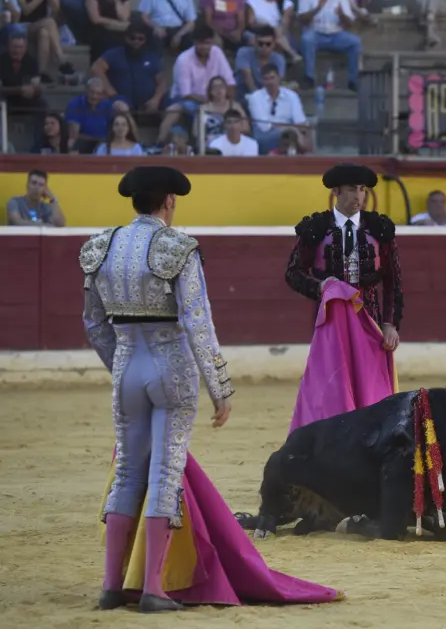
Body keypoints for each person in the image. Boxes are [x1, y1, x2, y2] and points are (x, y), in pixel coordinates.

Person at [80, 166, 341, 612]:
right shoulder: (178, 248)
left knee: (127, 471)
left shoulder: (101, 247)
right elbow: (198, 324)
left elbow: (93, 323)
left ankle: (110, 586)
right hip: (169, 368)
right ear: (169, 202)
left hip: (127, 365)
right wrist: (220, 388)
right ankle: (153, 590)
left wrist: (120, 365)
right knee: (164, 472)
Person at [283, 162, 402, 432]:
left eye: (362, 190)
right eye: (351, 189)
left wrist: (390, 323)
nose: (358, 196)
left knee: (371, 385)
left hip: (369, 319)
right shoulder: (315, 228)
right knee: (332, 382)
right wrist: (322, 286)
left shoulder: (379, 229)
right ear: (336, 191)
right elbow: (293, 273)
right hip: (332, 320)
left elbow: (393, 279)